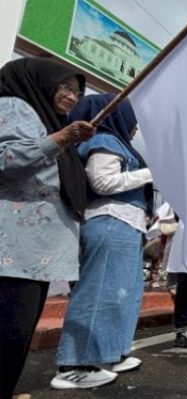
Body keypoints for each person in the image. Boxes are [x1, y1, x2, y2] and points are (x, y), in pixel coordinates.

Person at [0, 58, 95, 398]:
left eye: (77, 91)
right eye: (65, 87)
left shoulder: (47, 121)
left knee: (18, 333)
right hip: (13, 247)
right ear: (39, 82)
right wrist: (59, 139)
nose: (72, 97)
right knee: (8, 332)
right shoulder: (14, 106)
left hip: (36, 252)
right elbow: (4, 158)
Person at [51, 94, 153, 389]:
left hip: (125, 224)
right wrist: (151, 173)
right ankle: (74, 364)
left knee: (123, 294)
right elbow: (103, 182)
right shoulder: (106, 140)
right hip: (110, 220)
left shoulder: (118, 143)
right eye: (131, 120)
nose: (135, 128)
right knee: (98, 294)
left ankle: (111, 352)